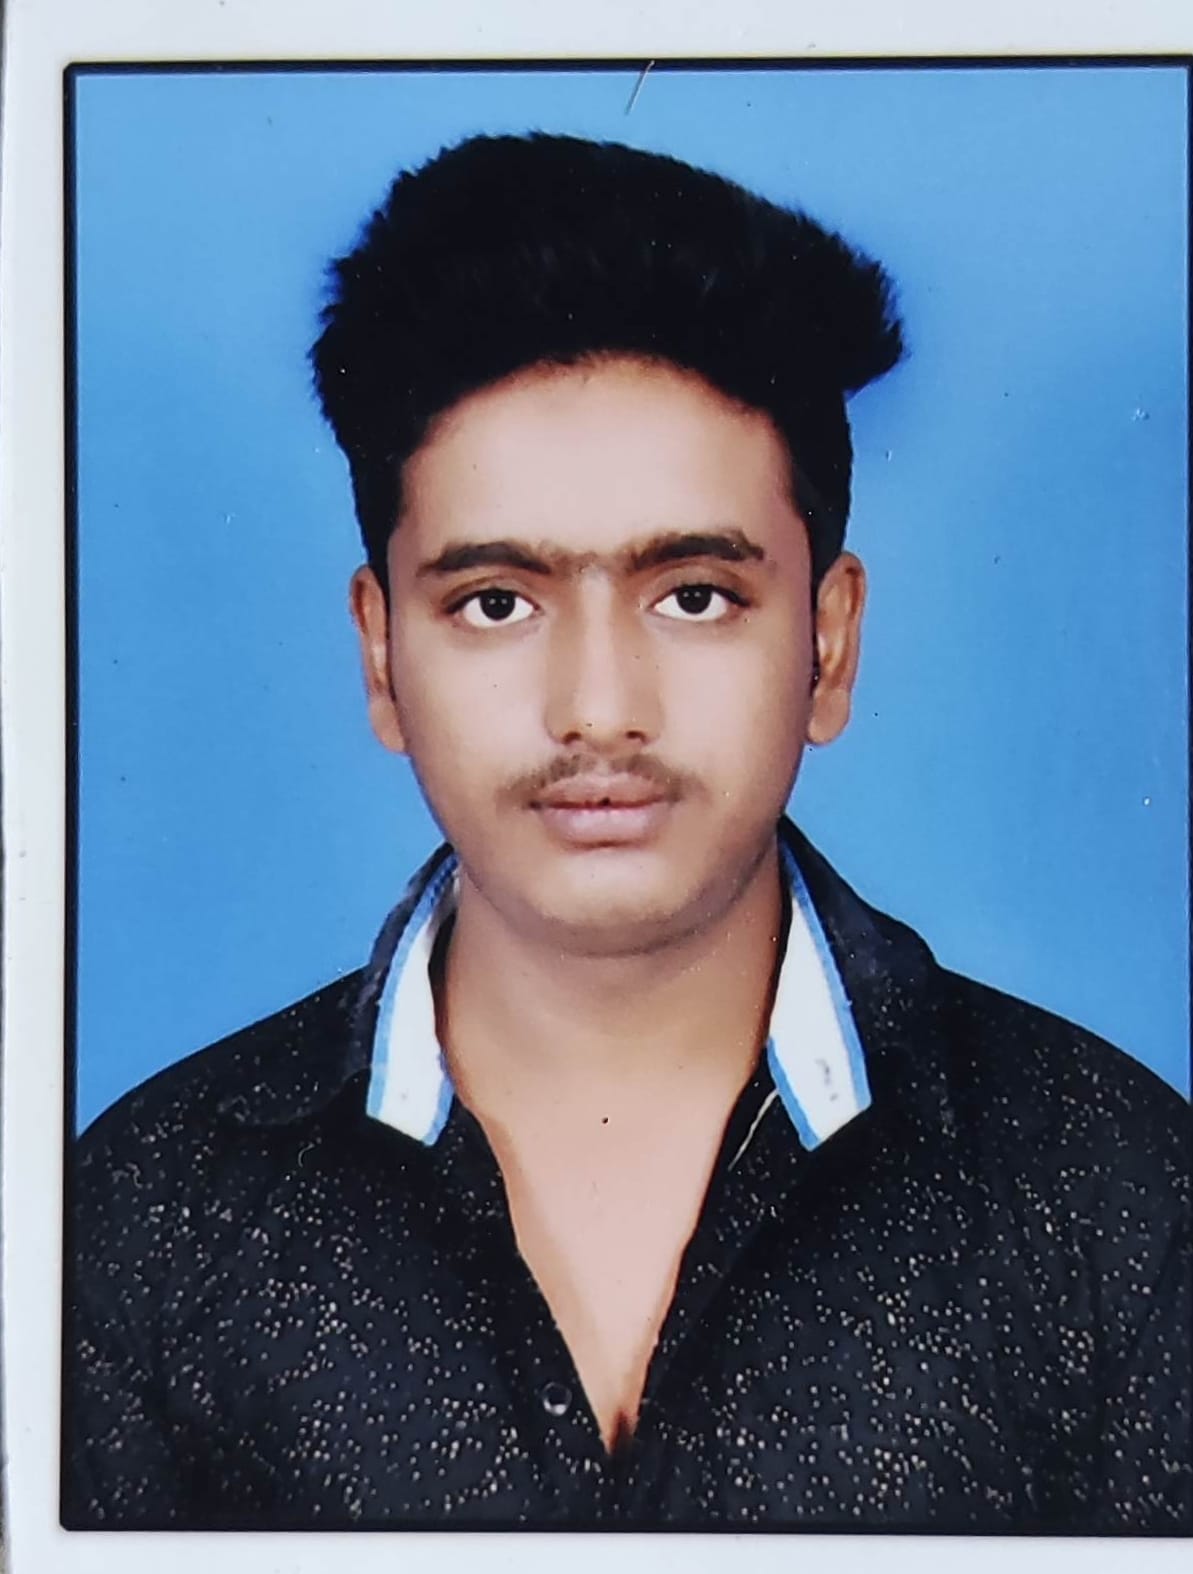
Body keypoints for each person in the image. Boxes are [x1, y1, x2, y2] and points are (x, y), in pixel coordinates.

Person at [64, 131, 1190, 1533]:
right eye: (495, 603)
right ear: (381, 655)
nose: (598, 709)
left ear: (830, 641)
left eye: (694, 594)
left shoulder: (1112, 1196)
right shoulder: (143, 1222)